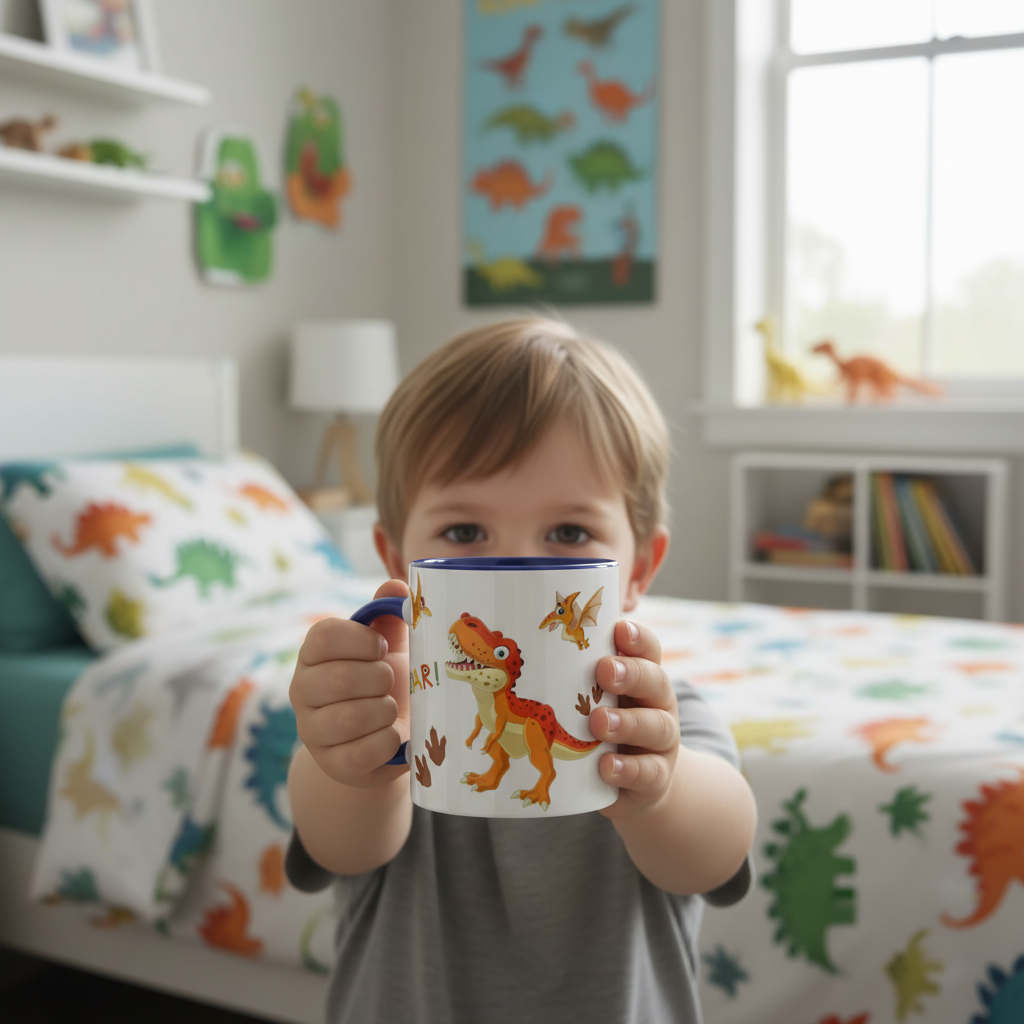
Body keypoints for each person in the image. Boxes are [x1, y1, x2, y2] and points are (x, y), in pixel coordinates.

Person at [287, 317, 757, 1024]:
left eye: (569, 534)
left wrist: (659, 791)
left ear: (640, 569)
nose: (510, 566)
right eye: (464, 532)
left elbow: (716, 857)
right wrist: (353, 763)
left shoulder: (656, 717)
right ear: (396, 562)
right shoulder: (388, 707)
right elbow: (342, 846)